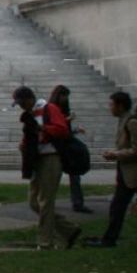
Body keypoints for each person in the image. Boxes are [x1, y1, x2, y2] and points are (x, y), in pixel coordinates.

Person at [12, 84, 82, 250]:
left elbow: (62, 130)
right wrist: (24, 144)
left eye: (22, 103)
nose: (21, 107)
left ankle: (45, 242)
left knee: (45, 202)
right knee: (34, 202)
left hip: (51, 157)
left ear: (30, 99)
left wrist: (43, 128)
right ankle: (69, 230)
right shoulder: (30, 114)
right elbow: (30, 135)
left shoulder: (49, 109)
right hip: (36, 159)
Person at [86, 90, 137, 248]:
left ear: (120, 106)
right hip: (127, 173)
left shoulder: (131, 122)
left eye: (112, 104)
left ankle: (109, 240)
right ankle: (109, 239)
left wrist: (116, 154)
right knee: (117, 207)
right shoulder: (123, 121)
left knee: (118, 206)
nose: (110, 108)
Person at [50, 85, 91, 214]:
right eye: (64, 96)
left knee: (75, 175)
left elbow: (66, 132)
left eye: (67, 96)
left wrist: (75, 130)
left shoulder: (64, 109)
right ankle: (48, 201)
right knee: (55, 176)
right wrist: (66, 120)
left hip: (67, 146)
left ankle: (77, 203)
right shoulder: (52, 109)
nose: (65, 99)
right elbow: (54, 127)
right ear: (58, 95)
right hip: (58, 147)